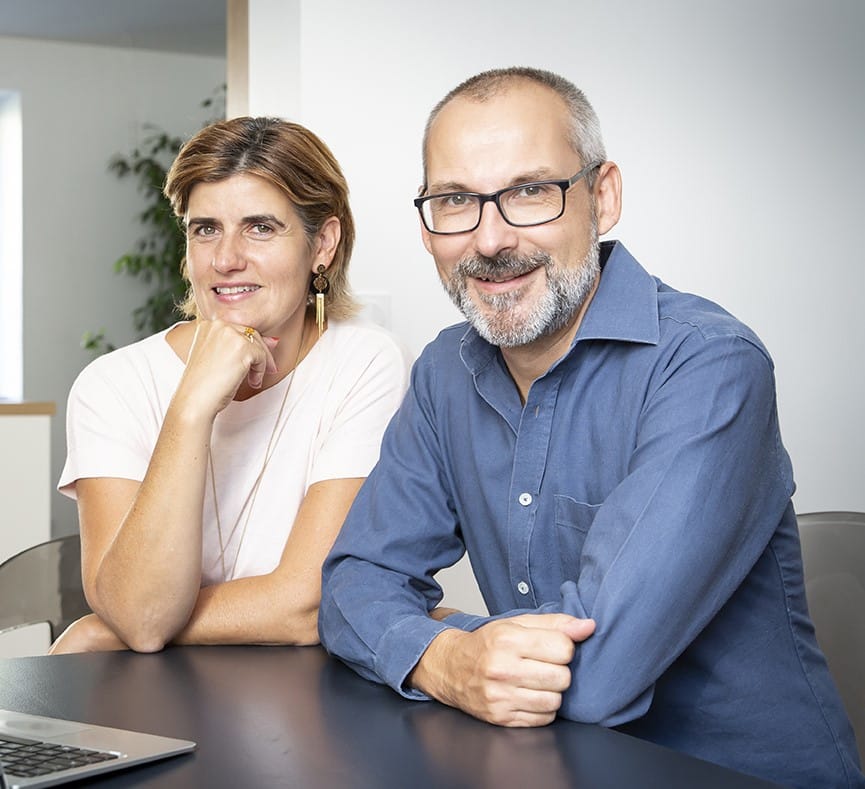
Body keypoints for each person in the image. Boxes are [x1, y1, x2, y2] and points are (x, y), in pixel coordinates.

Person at [318, 67, 864, 788]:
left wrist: (428, 634)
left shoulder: (709, 366)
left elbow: (599, 677)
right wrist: (444, 658)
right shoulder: (444, 372)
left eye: (529, 192)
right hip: (546, 766)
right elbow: (351, 586)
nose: (489, 239)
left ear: (601, 197)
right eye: (455, 200)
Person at [52, 116, 410, 654]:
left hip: (308, 695)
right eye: (206, 229)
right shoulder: (112, 385)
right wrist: (192, 406)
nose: (225, 259)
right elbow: (141, 617)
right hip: (153, 694)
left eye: (260, 227)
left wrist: (105, 631)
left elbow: (309, 603)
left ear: (323, 244)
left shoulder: (366, 363)